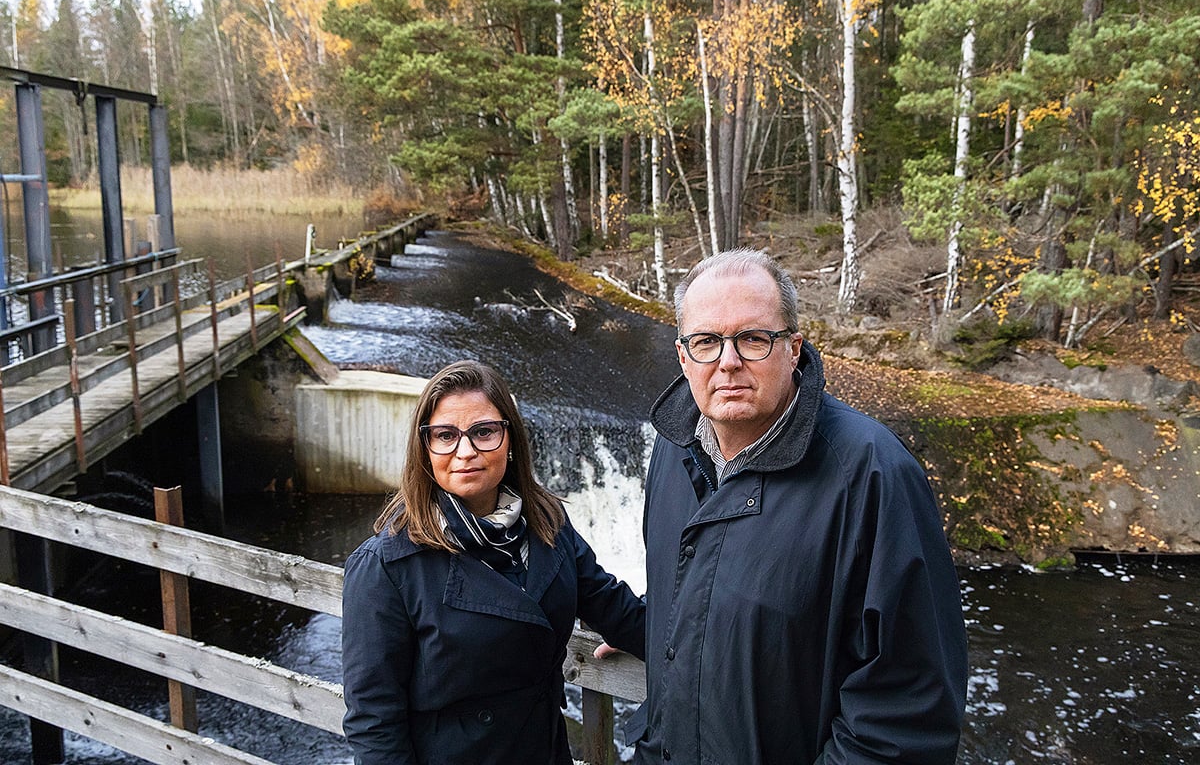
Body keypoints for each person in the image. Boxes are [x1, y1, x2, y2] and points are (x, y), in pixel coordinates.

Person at [634, 249, 967, 764]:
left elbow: (908, 712)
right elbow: (697, 585)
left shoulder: (873, 473)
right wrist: (650, 633)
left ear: (793, 349)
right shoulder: (673, 445)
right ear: (683, 356)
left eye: (753, 339)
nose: (728, 362)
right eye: (706, 341)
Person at [342, 359, 646, 765]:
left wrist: (697, 636)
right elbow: (373, 722)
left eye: (484, 432)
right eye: (445, 435)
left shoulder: (547, 523)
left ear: (510, 438)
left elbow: (613, 607)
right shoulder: (387, 565)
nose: (465, 451)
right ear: (425, 448)